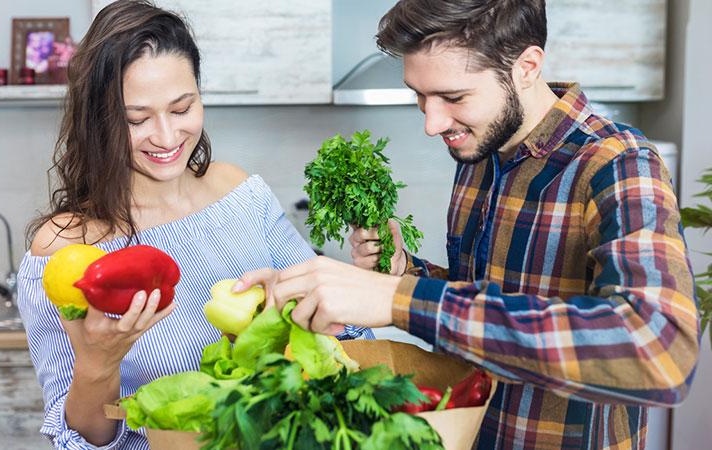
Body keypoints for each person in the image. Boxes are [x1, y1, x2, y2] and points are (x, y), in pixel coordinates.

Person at [238, 0, 700, 448]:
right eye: (419, 96)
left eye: (453, 97)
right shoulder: (481, 151)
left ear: (526, 66)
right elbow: (487, 296)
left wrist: (400, 300)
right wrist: (405, 273)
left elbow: (659, 351)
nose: (432, 122)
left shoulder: (616, 163)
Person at [17, 1, 370, 448]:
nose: (166, 137)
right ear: (98, 122)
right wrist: (97, 363)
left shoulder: (240, 193)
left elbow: (352, 348)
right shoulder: (65, 250)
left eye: (182, 109)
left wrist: (315, 306)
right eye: (136, 120)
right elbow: (82, 441)